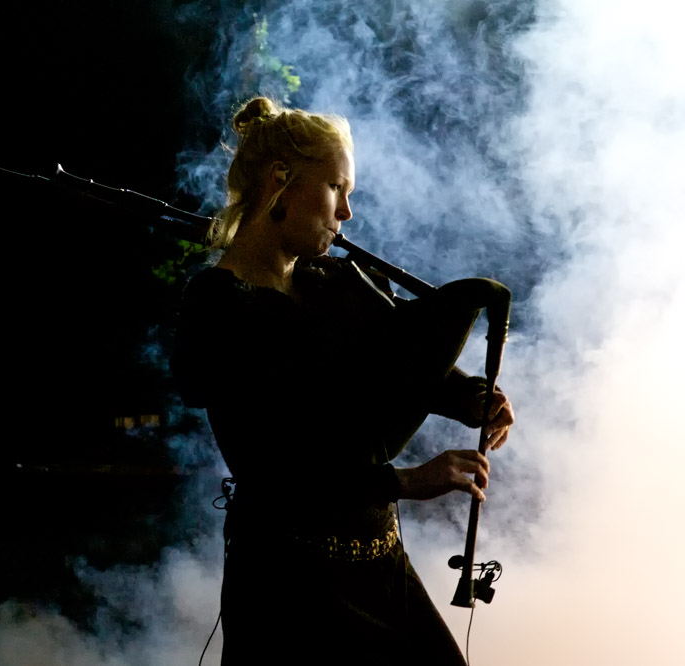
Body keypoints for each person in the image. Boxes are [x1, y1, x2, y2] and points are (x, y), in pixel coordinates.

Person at [171, 97, 514, 665]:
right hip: (288, 584)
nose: (347, 214)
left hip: (381, 561)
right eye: (337, 189)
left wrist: (470, 398)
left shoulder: (329, 279)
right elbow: (275, 464)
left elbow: (395, 354)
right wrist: (404, 481)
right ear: (282, 182)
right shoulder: (220, 307)